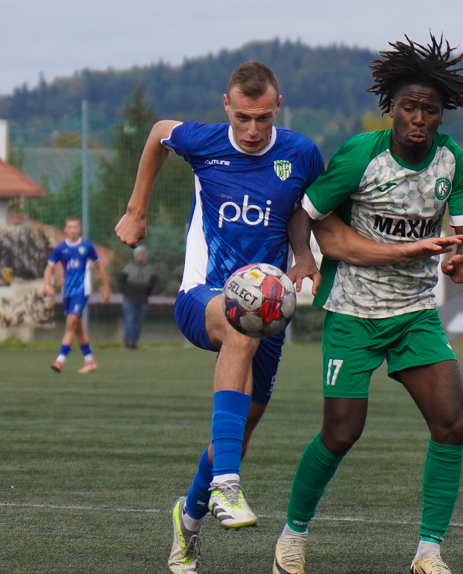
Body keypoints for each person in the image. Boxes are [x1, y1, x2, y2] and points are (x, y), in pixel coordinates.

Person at [272, 34, 463, 574]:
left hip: (414, 313)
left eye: (429, 110)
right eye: (409, 107)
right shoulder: (361, 155)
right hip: (354, 314)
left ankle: (428, 552)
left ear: (441, 116)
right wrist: (303, 259)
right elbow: (306, 212)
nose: (418, 118)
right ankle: (292, 535)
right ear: (391, 108)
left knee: (451, 422)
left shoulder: (452, 162)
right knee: (342, 432)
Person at [115, 62, 325, 573]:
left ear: (278, 105)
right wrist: (137, 209)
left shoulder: (300, 152)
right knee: (240, 319)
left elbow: (303, 207)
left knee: (240, 429)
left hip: (272, 310)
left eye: (262, 118)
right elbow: (159, 133)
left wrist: (303, 256)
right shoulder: (205, 141)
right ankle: (227, 486)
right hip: (202, 294)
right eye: (243, 117)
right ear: (226, 105)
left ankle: (187, 520)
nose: (252, 130)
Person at [44, 216, 111, 374]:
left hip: (82, 290)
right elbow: (49, 268)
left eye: (75, 227)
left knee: (71, 322)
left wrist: (106, 288)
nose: (73, 230)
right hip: (67, 291)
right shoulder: (60, 248)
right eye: (70, 227)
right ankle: (90, 361)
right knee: (77, 328)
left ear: (79, 229)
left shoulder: (87, 246)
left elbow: (100, 267)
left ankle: (60, 360)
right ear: (65, 229)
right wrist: (47, 284)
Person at [119, 245, 157, 349]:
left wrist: (146, 293)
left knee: (138, 322)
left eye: (143, 254)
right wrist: (126, 293)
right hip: (129, 298)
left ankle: (134, 341)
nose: (141, 256)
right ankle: (128, 340)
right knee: (130, 320)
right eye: (139, 254)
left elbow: (152, 284)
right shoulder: (128, 268)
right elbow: (121, 282)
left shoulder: (150, 270)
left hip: (142, 299)